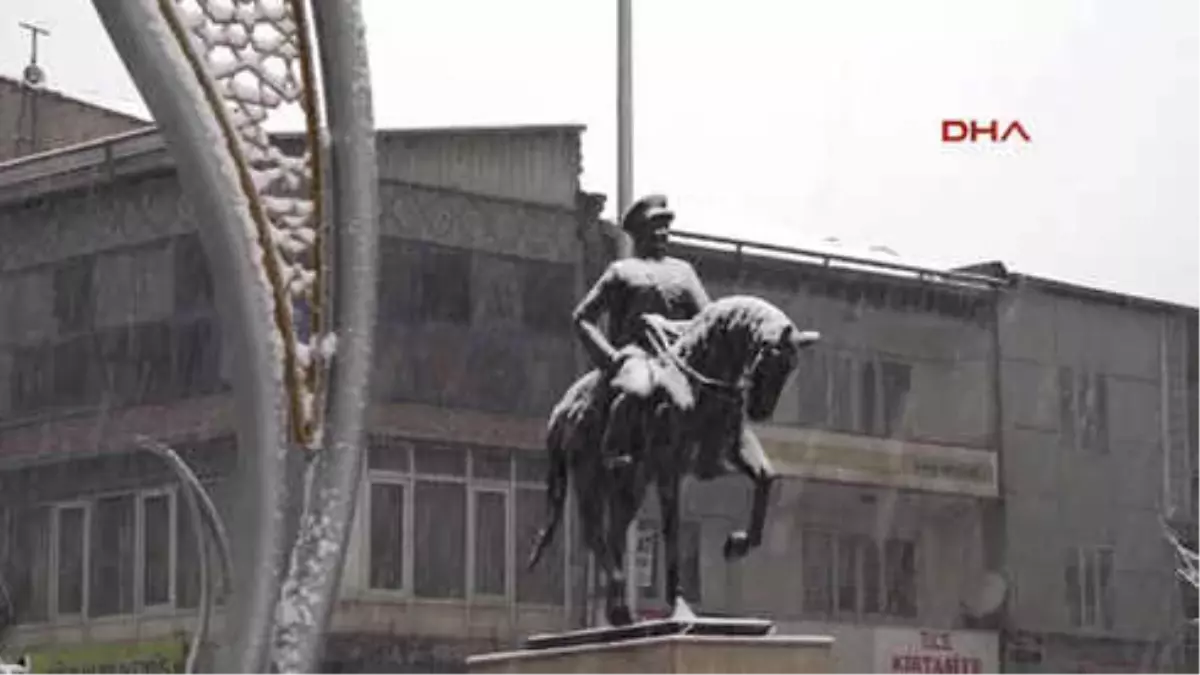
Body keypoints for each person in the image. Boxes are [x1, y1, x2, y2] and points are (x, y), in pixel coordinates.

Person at [572, 194, 710, 468]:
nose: (662, 233)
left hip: (676, 359)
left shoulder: (684, 272)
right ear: (638, 232)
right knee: (637, 388)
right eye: (655, 226)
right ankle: (615, 447)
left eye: (665, 226)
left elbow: (707, 319)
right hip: (637, 356)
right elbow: (583, 318)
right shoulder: (621, 271)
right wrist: (611, 358)